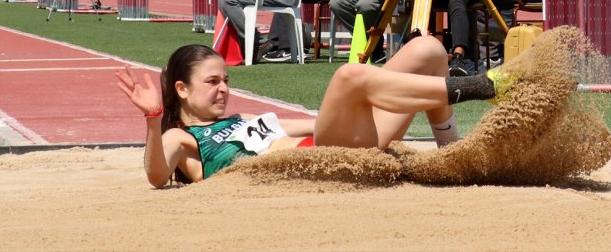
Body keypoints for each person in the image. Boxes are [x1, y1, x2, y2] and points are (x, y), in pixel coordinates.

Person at [115, 35, 513, 187]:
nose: (224, 89)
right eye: (212, 82)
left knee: (427, 49)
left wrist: (367, 108)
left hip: (335, 144)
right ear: (181, 90)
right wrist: (153, 118)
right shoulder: (184, 138)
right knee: (347, 78)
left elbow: (316, 122)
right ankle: (481, 86)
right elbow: (155, 175)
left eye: (226, 80)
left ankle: (452, 152)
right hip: (320, 160)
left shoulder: (243, 121)